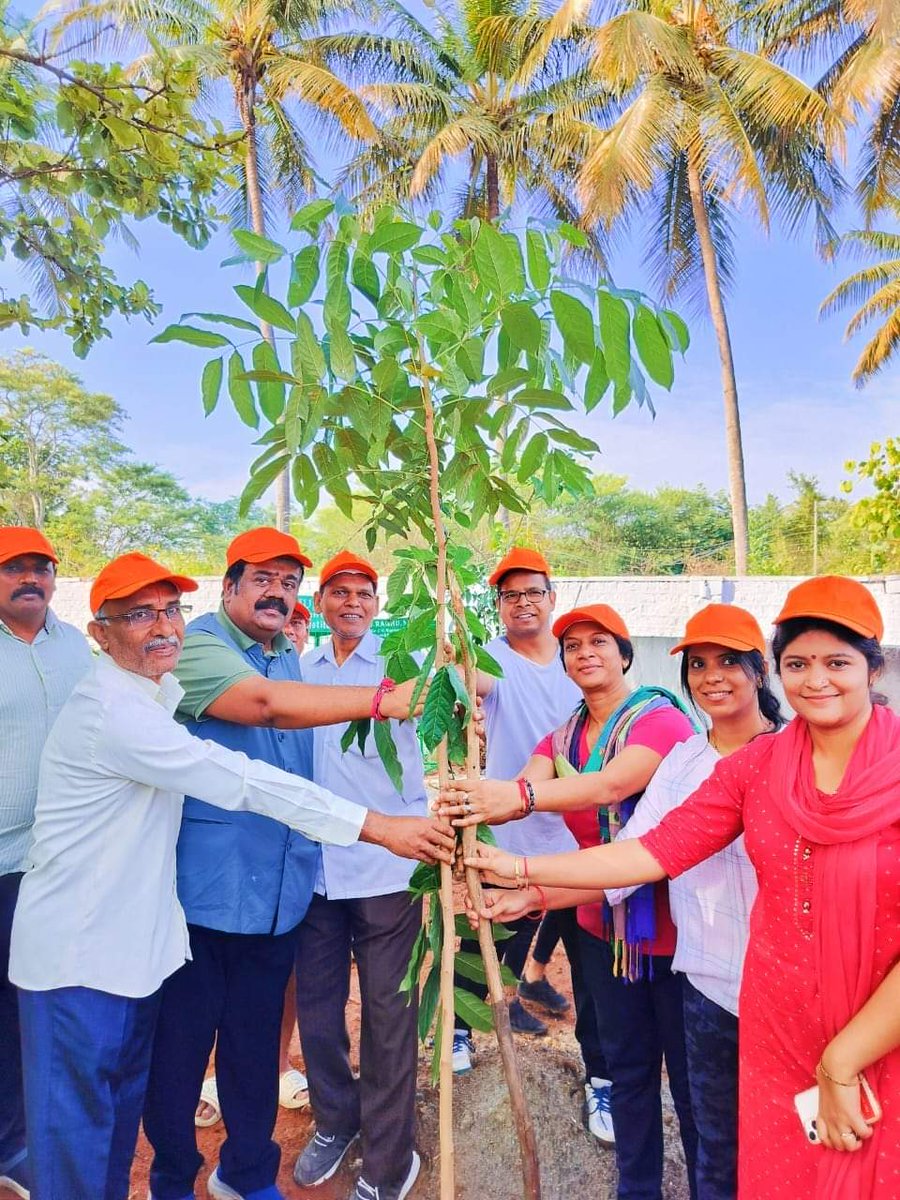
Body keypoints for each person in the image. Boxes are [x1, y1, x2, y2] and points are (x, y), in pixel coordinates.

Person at [7, 552, 454, 1200]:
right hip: (78, 967)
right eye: (139, 614)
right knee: (77, 1151)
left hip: (131, 957)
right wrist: (378, 826)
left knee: (108, 1143)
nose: (162, 627)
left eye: (169, 610)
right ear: (99, 633)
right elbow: (240, 778)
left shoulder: (152, 693)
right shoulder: (115, 711)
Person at [462, 576, 900, 1199]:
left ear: (872, 667)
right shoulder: (742, 768)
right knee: (741, 1159)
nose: (816, 679)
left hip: (866, 1021)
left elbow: (608, 792)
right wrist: (520, 874)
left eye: (837, 662)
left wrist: (842, 1061)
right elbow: (648, 850)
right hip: (740, 999)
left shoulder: (673, 728)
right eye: (799, 662)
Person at [142, 528, 446, 1200]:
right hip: (208, 893)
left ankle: (256, 1171)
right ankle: (172, 1180)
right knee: (185, 1050)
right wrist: (382, 700)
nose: (277, 592)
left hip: (295, 888)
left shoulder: (295, 656)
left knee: (263, 1046)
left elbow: (457, 700)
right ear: (229, 588)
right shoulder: (203, 648)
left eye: (288, 582)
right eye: (262, 580)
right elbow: (266, 710)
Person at [440, 602, 699, 1199]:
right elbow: (520, 777)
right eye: (573, 646)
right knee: (625, 1061)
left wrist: (519, 798)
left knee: (689, 1080)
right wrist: (469, 788)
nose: (585, 654)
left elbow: (609, 784)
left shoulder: (657, 719)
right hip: (595, 918)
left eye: (598, 643)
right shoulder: (563, 733)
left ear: (625, 653)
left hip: (671, 927)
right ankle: (636, 1186)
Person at [604, 604, 785, 1200]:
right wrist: (528, 887)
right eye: (700, 664)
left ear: (760, 671)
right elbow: (636, 852)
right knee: (714, 1149)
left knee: (791, 1141)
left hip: (787, 991)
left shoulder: (795, 756)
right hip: (707, 988)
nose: (713, 676)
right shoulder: (683, 759)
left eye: (730, 661)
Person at [456, 548, 612, 1146]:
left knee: (595, 968)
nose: (523, 602)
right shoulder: (490, 657)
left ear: (552, 596)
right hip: (511, 834)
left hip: (581, 843)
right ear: (498, 606)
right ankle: (460, 1033)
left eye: (533, 592)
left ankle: (601, 1074)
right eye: (510, 595)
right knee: (486, 935)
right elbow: (467, 677)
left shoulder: (576, 661)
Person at [292, 551, 426, 1200]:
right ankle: (336, 1122)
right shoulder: (300, 669)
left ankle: (388, 1158)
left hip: (386, 867)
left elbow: (452, 726)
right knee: (318, 1012)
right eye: (338, 592)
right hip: (314, 868)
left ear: (377, 604)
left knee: (387, 1016)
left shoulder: (406, 671)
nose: (351, 603)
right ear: (320, 604)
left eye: (363, 593)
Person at [0, 526, 92, 1200]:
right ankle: (12, 1144)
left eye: (41, 567)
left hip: (64, 859)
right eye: (13, 569)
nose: (30, 579)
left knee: (51, 1002)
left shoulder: (78, 649)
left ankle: (36, 1141)